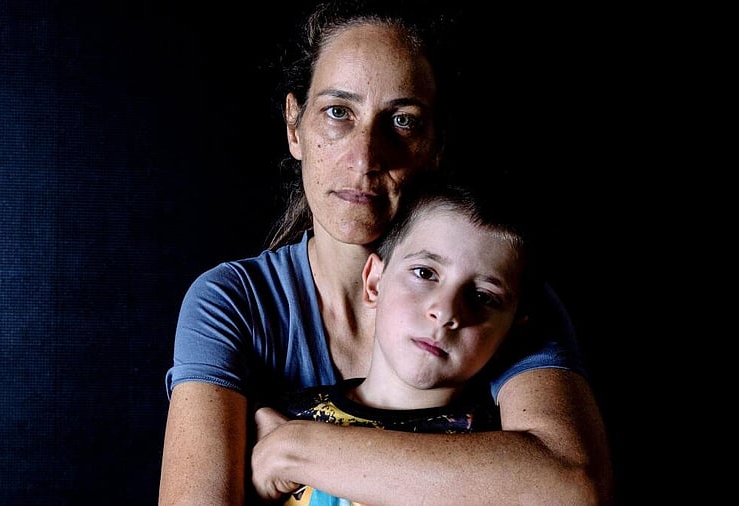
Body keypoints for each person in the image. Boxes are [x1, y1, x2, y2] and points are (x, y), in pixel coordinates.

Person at [159, 1, 613, 504]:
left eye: (402, 121)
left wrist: (294, 448)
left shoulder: (492, 293)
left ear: (436, 144)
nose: (366, 158)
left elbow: (572, 485)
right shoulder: (233, 302)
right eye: (338, 113)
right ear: (295, 127)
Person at [260, 182, 539, 506]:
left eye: (482, 296)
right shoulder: (287, 421)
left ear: (513, 329)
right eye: (425, 272)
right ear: (375, 282)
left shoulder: (503, 462)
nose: (445, 311)